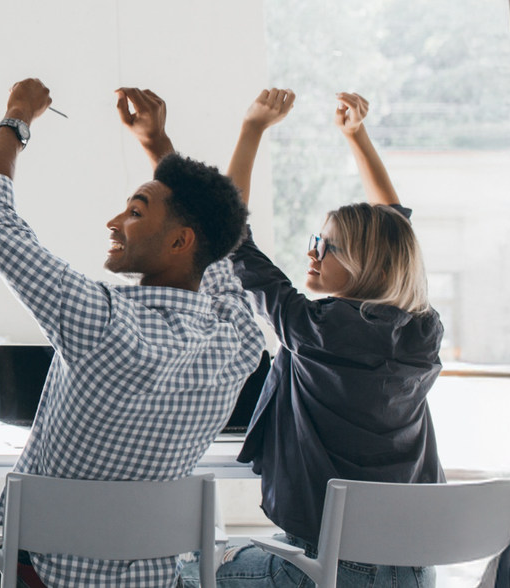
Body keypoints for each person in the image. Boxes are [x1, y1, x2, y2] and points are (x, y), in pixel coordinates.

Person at [0, 80, 268, 588]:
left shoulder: (100, 323)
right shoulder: (240, 341)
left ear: (180, 241)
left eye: (136, 211)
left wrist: (18, 117)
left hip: (42, 579)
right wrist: (158, 147)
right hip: (153, 582)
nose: (114, 221)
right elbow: (220, 249)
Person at [192, 89, 445, 588]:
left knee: (185, 570)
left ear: (361, 262)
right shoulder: (423, 330)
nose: (312, 253)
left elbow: (230, 233)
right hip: (414, 567)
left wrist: (252, 129)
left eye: (323, 245)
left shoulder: (315, 329)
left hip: (327, 567)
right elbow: (395, 227)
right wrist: (357, 137)